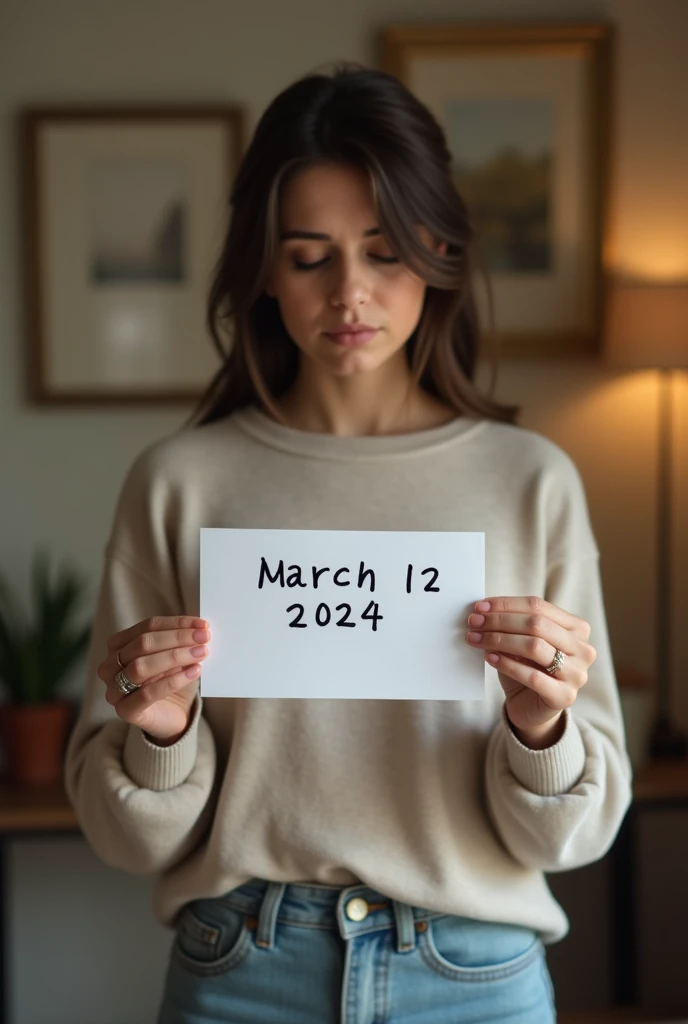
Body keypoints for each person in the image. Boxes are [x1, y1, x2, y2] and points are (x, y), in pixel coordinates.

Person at [64, 62, 632, 1024]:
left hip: (476, 974)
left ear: (438, 247)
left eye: (385, 250)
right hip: (242, 967)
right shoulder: (179, 482)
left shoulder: (530, 480)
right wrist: (159, 734)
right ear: (262, 270)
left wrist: (541, 729)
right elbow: (127, 840)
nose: (350, 293)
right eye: (308, 255)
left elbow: (576, 834)